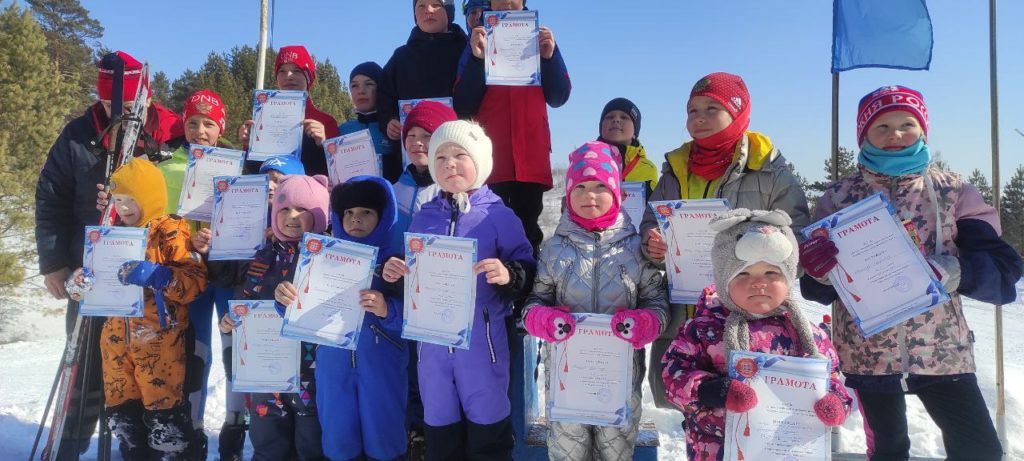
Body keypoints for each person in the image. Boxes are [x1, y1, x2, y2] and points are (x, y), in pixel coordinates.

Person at [799, 85, 1023, 461]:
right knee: (888, 450)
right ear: (864, 134)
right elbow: (816, 288)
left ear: (923, 129)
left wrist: (957, 272)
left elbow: (1003, 272)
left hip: (942, 351)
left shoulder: (953, 191)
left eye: (907, 123)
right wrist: (821, 274)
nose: (895, 134)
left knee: (979, 449)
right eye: (882, 126)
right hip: (868, 353)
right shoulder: (838, 198)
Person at [35, 50, 184, 457]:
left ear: (147, 97)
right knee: (84, 366)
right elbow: (51, 197)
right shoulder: (79, 134)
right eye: (106, 104)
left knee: (147, 368)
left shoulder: (170, 132)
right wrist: (52, 263)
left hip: (150, 274)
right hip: (91, 272)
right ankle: (70, 443)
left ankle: (138, 448)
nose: (114, 112)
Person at [639, 72, 810, 409]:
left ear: (738, 112)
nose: (699, 118)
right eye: (692, 110)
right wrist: (653, 245)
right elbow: (652, 223)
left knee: (753, 413)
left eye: (711, 108)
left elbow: (799, 241)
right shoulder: (675, 168)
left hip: (754, 324)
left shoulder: (770, 170)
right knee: (696, 413)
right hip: (687, 318)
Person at [381, 120, 535, 460]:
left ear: (479, 161)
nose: (449, 164)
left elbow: (527, 266)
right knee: (440, 433)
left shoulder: (497, 213)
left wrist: (508, 274)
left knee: (487, 434)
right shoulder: (424, 215)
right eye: (441, 157)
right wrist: (398, 270)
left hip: (483, 347)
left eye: (459, 155)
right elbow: (414, 270)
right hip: (432, 350)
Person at [662, 209, 852, 461]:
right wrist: (710, 390)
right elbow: (673, 373)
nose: (758, 283)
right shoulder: (703, 329)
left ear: (788, 277)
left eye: (771, 273)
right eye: (743, 274)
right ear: (723, 281)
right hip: (717, 450)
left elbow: (832, 379)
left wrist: (837, 404)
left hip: (786, 449)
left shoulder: (810, 335)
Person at [523, 141, 668, 460]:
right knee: (567, 453)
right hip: (566, 388)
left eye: (600, 186)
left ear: (618, 193)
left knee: (614, 454)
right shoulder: (554, 249)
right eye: (581, 186)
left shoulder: (634, 250)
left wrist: (643, 324)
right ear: (568, 195)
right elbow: (533, 304)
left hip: (618, 389)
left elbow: (657, 305)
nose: (590, 195)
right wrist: (544, 321)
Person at [68, 158, 207, 458]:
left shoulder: (170, 231)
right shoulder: (108, 236)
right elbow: (95, 285)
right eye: (118, 201)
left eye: (131, 200)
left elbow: (195, 282)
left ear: (149, 196)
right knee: (126, 424)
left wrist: (161, 276)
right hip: (117, 349)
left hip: (161, 349)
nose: (124, 208)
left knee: (167, 428)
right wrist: (82, 283)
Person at [216, 174, 331, 460]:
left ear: (319, 214)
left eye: (302, 210)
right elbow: (245, 302)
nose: (292, 217)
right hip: (265, 371)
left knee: (311, 438)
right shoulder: (262, 257)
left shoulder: (329, 259)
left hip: (312, 372)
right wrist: (231, 322)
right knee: (267, 438)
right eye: (284, 209)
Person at [454, 0, 572, 254]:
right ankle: (492, 291)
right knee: (487, 231)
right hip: (491, 158)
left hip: (530, 156)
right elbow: (463, 104)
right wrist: (476, 59)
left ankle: (529, 292)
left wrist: (550, 58)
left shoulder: (539, 35)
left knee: (527, 231)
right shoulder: (481, 36)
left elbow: (559, 96)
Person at [313, 176, 409, 460]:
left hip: (382, 365)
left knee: (384, 436)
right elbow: (301, 311)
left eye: (366, 212)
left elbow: (419, 318)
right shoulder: (321, 260)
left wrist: (386, 309)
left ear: (384, 216)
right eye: (349, 213)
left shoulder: (398, 264)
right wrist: (286, 301)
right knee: (339, 439)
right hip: (333, 366)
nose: (356, 219)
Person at [378, 0, 467, 172]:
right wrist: (389, 121)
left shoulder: (466, 50)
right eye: (421, 6)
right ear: (415, 15)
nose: (428, 11)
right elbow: (384, 96)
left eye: (436, 5)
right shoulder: (401, 56)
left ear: (448, 12)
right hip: (414, 158)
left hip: (457, 150)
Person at [239, 45, 340, 176]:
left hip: (309, 194)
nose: (288, 76)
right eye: (282, 71)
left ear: (308, 77)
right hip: (272, 194)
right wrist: (248, 146)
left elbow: (338, 172)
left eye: (297, 71)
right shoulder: (262, 117)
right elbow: (253, 171)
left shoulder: (326, 122)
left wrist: (324, 144)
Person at [340, 62, 401, 182]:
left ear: (381, 88)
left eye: (369, 84)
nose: (361, 91)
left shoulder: (393, 128)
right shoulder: (342, 130)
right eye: (354, 86)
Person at [596, 97, 659, 194]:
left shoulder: (648, 168)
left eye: (624, 117)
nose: (616, 120)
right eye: (609, 117)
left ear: (635, 131)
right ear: (601, 128)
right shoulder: (587, 160)